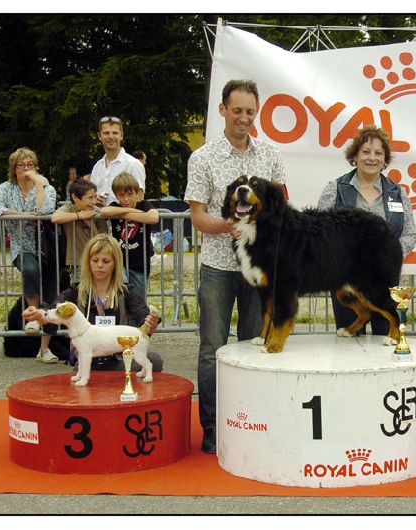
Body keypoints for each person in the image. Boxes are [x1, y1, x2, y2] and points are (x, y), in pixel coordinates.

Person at [184, 79, 286, 454]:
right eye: (237, 110)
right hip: (218, 267)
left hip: (259, 269)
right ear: (223, 110)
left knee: (253, 345)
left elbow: (280, 206)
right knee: (212, 348)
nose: (244, 118)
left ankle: (252, 421)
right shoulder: (203, 158)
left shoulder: (271, 154)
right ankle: (212, 427)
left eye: (250, 112)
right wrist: (232, 226)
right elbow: (197, 217)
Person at [317, 125, 416, 336]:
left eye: (378, 153)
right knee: (349, 346)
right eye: (366, 152)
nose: (372, 158)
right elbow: (319, 232)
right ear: (354, 156)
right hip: (345, 281)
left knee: (387, 341)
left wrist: (386, 256)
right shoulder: (335, 188)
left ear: (385, 159)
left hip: (384, 278)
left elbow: (410, 234)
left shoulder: (398, 193)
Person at [22, 234, 163, 373]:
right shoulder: (76, 290)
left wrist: (151, 323)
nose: (99, 265)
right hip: (86, 361)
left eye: (106, 261)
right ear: (88, 262)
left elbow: (144, 319)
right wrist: (39, 314)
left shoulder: (126, 291)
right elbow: (54, 309)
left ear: (116, 264)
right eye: (95, 260)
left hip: (119, 360)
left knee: (154, 360)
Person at [0, 147, 58, 348]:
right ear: (14, 168)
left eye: (30, 165)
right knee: (30, 269)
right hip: (21, 245)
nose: (26, 169)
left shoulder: (47, 188)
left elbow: (45, 210)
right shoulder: (5, 188)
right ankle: (32, 315)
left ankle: (46, 349)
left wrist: (38, 183)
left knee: (51, 293)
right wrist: (21, 215)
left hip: (47, 246)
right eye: (21, 165)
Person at [108, 171, 159, 299]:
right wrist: (129, 210)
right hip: (120, 261)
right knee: (122, 292)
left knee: (138, 299)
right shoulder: (115, 206)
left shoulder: (144, 205)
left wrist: (124, 214)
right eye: (121, 195)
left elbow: (153, 218)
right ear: (116, 196)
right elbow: (104, 211)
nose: (126, 199)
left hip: (140, 264)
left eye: (130, 194)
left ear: (137, 193)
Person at [51, 179, 110, 280]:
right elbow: (55, 218)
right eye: (90, 198)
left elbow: (102, 238)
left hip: (97, 258)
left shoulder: (95, 211)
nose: (94, 202)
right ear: (75, 197)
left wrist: (91, 225)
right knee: (81, 286)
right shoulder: (69, 208)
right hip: (77, 260)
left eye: (95, 197)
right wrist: (79, 215)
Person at [91, 116, 146, 206]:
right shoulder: (97, 167)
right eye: (106, 133)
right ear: (99, 136)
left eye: (115, 133)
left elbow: (139, 201)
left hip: (126, 215)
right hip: (100, 215)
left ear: (121, 135)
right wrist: (94, 199)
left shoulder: (133, 164)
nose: (110, 137)